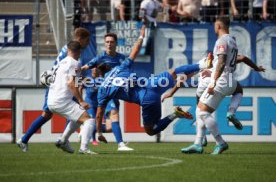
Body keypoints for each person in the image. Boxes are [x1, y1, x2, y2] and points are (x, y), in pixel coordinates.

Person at [94, 25, 213, 141]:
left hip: (147, 99)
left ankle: (175, 115)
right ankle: (201, 64)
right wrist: (141, 37)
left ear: (100, 75)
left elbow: (99, 114)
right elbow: (134, 51)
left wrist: (99, 132)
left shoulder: (103, 89)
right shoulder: (119, 68)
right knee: (173, 72)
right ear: (109, 68)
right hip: (152, 83)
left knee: (150, 131)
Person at [162, 54, 265, 146]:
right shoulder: (222, 58)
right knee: (238, 90)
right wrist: (256, 68)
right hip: (218, 84)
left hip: (202, 89)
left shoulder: (201, 63)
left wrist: (171, 93)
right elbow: (243, 58)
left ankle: (201, 139)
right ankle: (231, 112)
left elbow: (183, 77)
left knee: (200, 114)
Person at [16, 27, 91, 152]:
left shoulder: (69, 49)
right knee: (51, 114)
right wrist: (81, 83)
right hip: (60, 87)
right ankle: (60, 140)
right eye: (87, 40)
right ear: (80, 39)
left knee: (53, 114)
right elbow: (70, 75)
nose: (88, 43)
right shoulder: (73, 53)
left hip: (58, 85)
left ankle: (59, 139)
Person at [181, 17, 239, 155]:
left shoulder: (222, 40)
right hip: (231, 79)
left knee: (202, 112)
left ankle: (220, 143)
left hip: (221, 80)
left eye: (214, 25)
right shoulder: (233, 40)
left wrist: (213, 82)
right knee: (200, 110)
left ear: (219, 25)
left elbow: (221, 61)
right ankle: (197, 144)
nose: (214, 28)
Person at [81, 32, 134, 151]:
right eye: (107, 42)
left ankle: (89, 129)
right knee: (114, 114)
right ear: (105, 44)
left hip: (114, 92)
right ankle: (120, 144)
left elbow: (129, 72)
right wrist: (77, 70)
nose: (109, 44)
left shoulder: (122, 58)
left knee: (110, 126)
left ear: (116, 44)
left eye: (112, 42)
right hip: (105, 92)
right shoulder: (100, 59)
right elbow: (85, 67)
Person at [47, 41, 96, 155]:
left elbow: (70, 79)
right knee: (89, 120)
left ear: (68, 50)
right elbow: (70, 83)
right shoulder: (75, 63)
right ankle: (84, 148)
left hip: (51, 100)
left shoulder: (61, 62)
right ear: (79, 51)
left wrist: (83, 79)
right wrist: (81, 101)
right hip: (61, 101)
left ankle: (63, 140)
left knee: (78, 118)